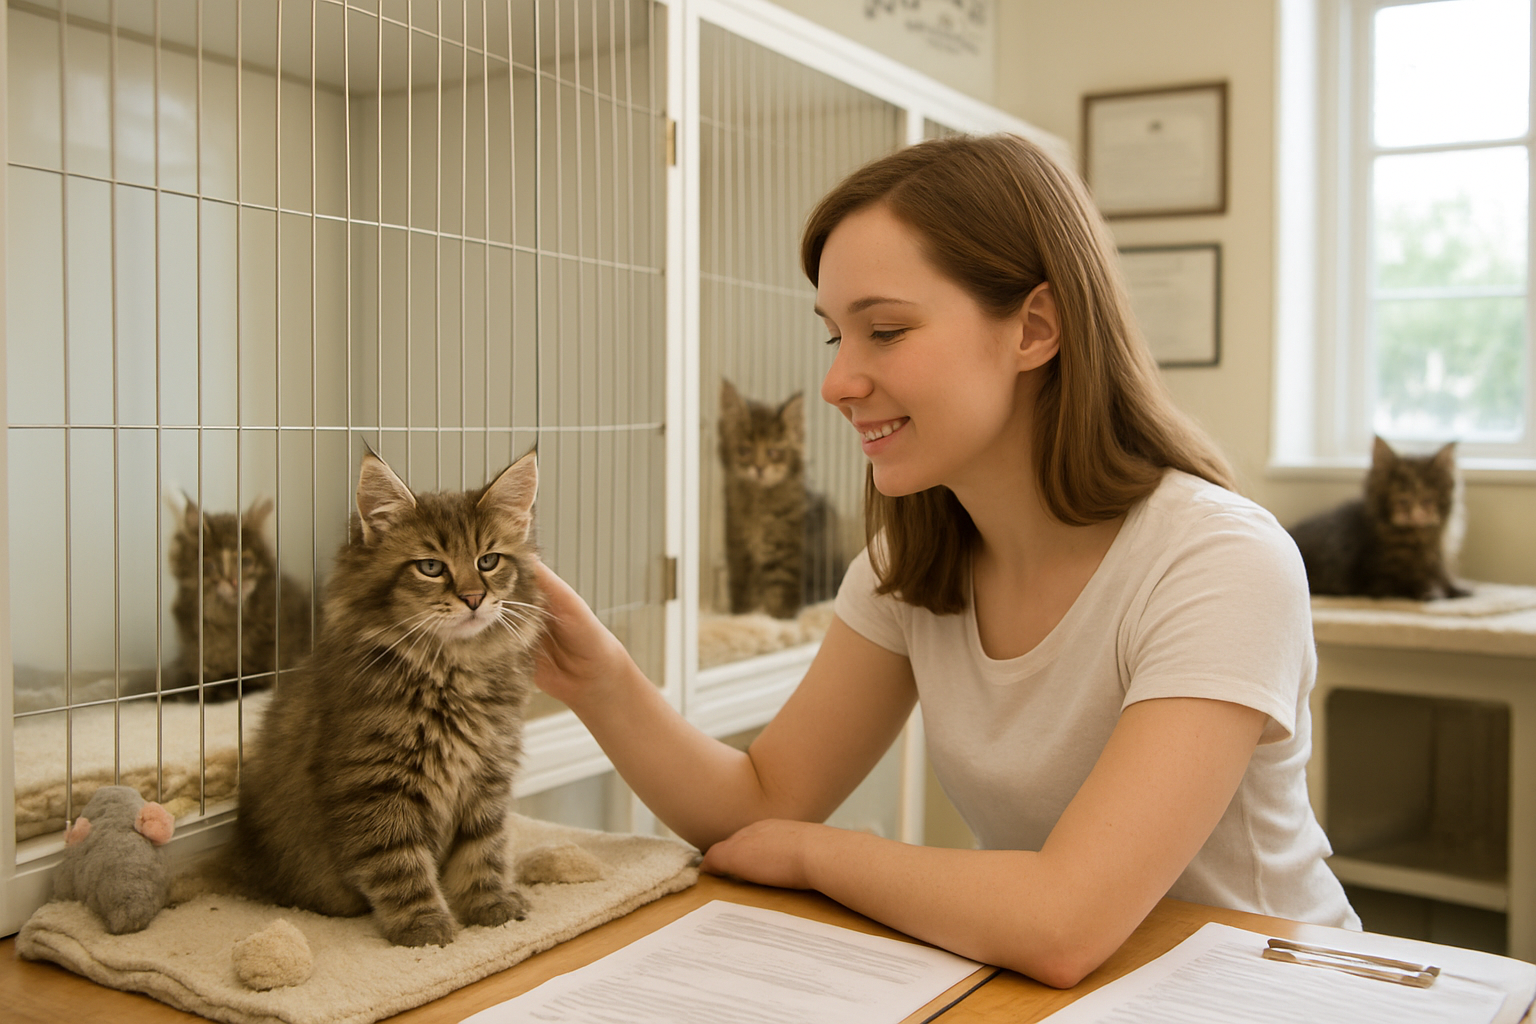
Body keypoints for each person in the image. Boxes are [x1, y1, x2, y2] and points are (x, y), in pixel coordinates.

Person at [532, 133, 1358, 988]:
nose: (838, 383)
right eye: (834, 338)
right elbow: (759, 804)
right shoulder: (910, 566)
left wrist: (818, 855)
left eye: (885, 331)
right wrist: (603, 682)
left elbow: (1060, 922)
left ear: (1035, 328)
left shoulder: (1220, 561)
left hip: (1273, 991)